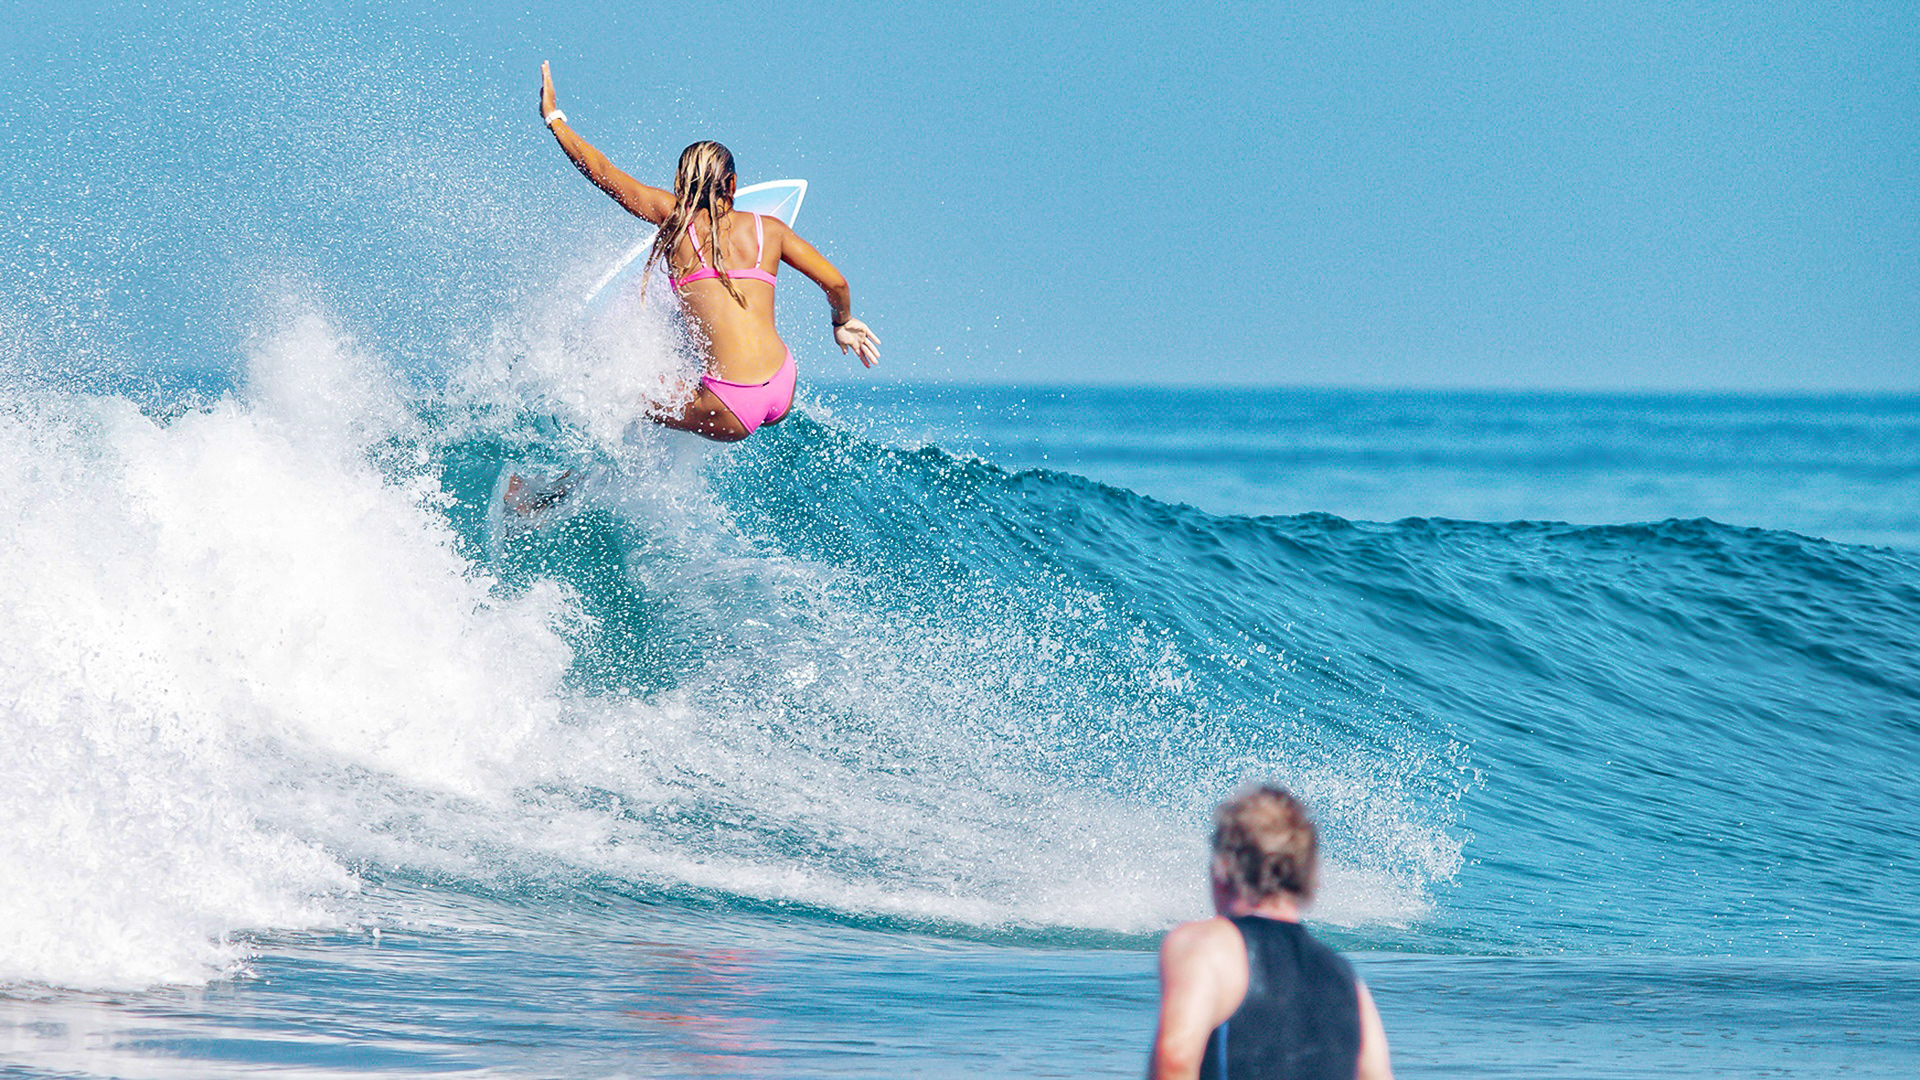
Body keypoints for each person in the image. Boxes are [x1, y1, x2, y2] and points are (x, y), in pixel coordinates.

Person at [538, 61, 880, 442]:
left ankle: (564, 480)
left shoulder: (673, 218)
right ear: (733, 184)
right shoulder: (770, 230)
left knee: (622, 397)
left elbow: (601, 170)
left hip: (729, 405)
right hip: (783, 384)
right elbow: (837, 284)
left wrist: (554, 117)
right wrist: (841, 323)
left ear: (681, 183)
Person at [1150, 785, 1394, 1080]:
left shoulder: (1207, 946)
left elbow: (1175, 1058)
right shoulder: (1346, 979)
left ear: (1222, 869)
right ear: (1309, 874)